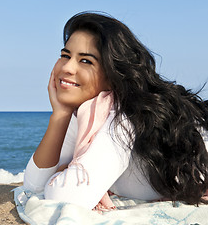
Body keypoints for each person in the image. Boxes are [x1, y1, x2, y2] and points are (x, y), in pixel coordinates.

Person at [23, 11, 208, 211]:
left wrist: (67, 172)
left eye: (86, 61)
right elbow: (34, 185)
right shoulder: (86, 113)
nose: (67, 67)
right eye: (65, 55)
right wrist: (60, 115)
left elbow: (67, 198)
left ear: (112, 74)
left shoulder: (121, 118)